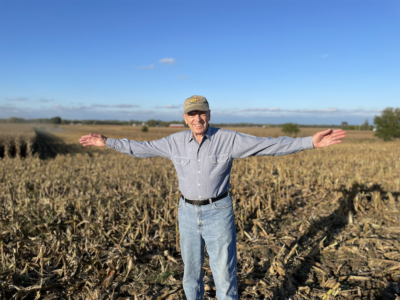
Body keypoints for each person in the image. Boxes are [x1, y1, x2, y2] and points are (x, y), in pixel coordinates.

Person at [79, 95, 346, 300]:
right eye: (192, 114)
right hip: (186, 212)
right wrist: (108, 141)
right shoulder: (173, 142)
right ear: (185, 118)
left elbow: (268, 145)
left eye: (202, 113)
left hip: (218, 210)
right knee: (190, 272)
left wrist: (309, 142)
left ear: (209, 115)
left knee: (224, 274)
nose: (197, 118)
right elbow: (141, 148)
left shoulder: (228, 139)